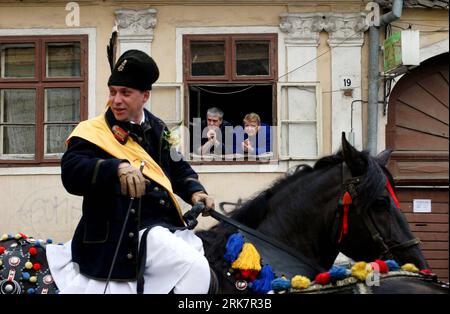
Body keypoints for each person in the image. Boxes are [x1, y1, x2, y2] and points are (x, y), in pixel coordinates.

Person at [46, 50, 215, 294]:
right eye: (113, 92)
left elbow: (179, 168)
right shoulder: (92, 131)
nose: (116, 100)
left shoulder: (159, 128)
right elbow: (72, 172)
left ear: (145, 96)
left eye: (125, 93)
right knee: (195, 268)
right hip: (119, 236)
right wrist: (116, 168)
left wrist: (196, 191)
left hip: (164, 229)